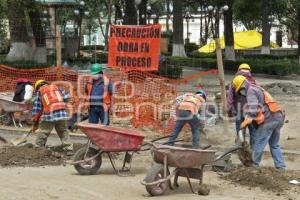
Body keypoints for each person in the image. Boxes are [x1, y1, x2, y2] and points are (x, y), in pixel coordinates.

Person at [232, 75, 286, 169]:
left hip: (269, 119)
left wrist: (246, 120)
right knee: (274, 144)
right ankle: (281, 166)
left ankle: (254, 165)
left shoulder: (250, 91)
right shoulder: (257, 88)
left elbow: (253, 108)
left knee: (259, 142)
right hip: (278, 117)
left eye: (240, 90)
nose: (241, 92)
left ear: (242, 86)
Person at [31, 80, 73, 152]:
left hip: (49, 115)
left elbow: (37, 109)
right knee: (63, 131)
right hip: (62, 114)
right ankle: (68, 149)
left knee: (44, 131)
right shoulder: (57, 88)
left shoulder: (40, 92)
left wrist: (35, 122)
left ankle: (39, 147)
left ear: (38, 87)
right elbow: (67, 98)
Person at [227, 63, 257, 147]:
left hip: (239, 110)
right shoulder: (254, 81)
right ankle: (253, 150)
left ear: (238, 70)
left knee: (240, 130)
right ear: (249, 70)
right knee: (253, 130)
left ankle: (242, 149)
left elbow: (230, 98)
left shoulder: (234, 81)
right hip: (252, 111)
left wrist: (229, 111)